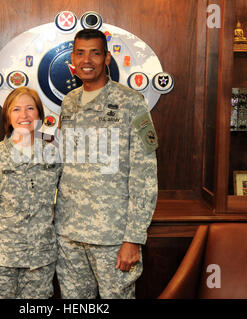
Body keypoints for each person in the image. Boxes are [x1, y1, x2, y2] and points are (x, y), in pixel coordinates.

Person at [55, 29, 158, 299]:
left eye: (95, 53)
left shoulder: (131, 103)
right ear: (73, 59)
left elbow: (145, 175)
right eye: (80, 53)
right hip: (69, 234)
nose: (86, 59)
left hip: (112, 236)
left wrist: (133, 238)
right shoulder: (69, 102)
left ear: (107, 58)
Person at [0, 87, 61, 299]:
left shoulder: (53, 155)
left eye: (30, 108)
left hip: (39, 263)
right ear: (8, 115)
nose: (23, 115)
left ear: (39, 115)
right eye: (16, 109)